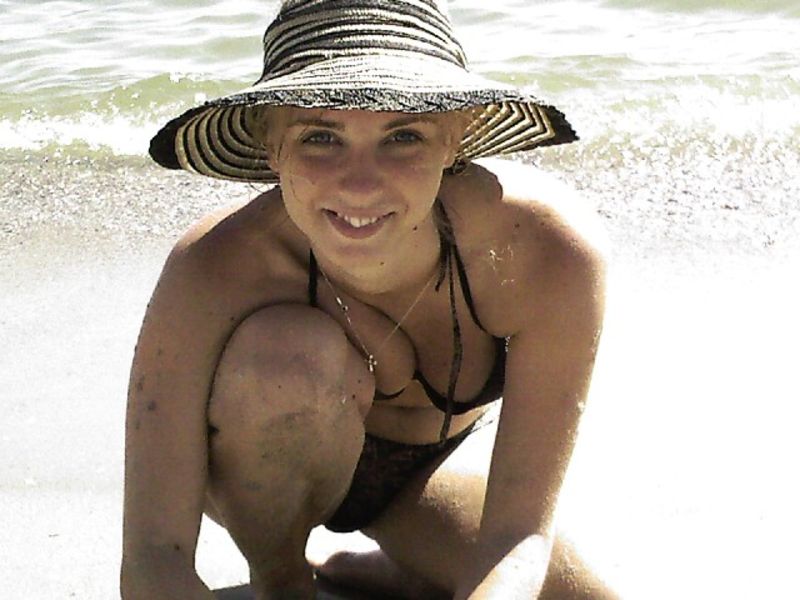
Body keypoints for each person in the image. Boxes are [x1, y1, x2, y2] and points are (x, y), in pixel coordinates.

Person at [121, 1, 617, 598]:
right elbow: (154, 556)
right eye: (320, 136)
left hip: (426, 477)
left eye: (403, 135)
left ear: (454, 138)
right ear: (270, 145)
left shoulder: (543, 250)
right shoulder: (217, 266)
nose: (359, 183)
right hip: (259, 476)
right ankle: (284, 582)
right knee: (288, 356)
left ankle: (404, 570)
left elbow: (517, 538)